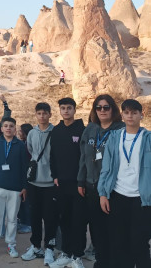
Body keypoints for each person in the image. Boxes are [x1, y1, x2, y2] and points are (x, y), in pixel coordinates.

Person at [98, 99, 151, 268]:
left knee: (140, 244)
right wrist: (103, 193)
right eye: (127, 112)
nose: (130, 116)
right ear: (122, 115)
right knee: (118, 243)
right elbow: (106, 168)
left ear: (141, 115)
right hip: (117, 196)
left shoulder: (148, 138)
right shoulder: (114, 137)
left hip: (141, 199)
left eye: (134, 112)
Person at [77, 94, 124, 268]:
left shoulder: (120, 130)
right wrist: (81, 181)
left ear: (113, 109)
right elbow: (83, 156)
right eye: (99, 107)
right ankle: (102, 260)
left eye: (106, 107)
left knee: (113, 227)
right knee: (96, 227)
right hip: (91, 186)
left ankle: (114, 261)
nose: (102, 111)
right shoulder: (90, 129)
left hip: (113, 188)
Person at [50, 98, 87, 268]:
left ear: (74, 110)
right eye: (63, 108)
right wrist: (54, 175)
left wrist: (83, 180)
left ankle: (77, 255)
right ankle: (66, 252)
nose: (66, 111)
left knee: (78, 221)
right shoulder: (56, 130)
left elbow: (85, 158)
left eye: (69, 108)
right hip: (61, 184)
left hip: (78, 184)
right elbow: (53, 156)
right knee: (64, 220)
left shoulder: (82, 129)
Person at [0, 117, 28, 259]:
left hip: (15, 189)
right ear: (1, 128)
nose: (8, 128)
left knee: (12, 218)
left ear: (15, 129)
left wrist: (24, 187)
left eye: (11, 126)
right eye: (6, 126)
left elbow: (24, 167)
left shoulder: (20, 145)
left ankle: (11, 244)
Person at [21, 103, 57, 266]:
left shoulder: (55, 132)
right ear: (35, 115)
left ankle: (49, 247)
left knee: (50, 217)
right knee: (34, 217)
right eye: (39, 113)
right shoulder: (32, 134)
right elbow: (31, 151)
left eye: (45, 113)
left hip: (51, 182)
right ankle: (36, 246)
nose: (42, 116)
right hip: (34, 182)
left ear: (50, 114)